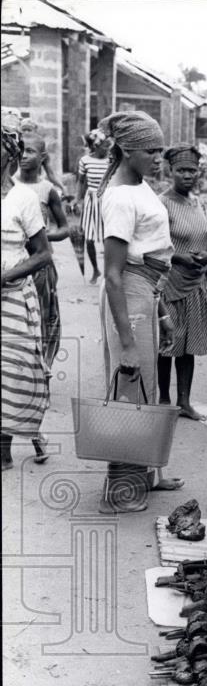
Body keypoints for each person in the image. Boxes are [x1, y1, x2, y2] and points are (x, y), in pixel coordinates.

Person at [97, 110, 181, 513]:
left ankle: (145, 474)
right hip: (128, 294)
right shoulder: (119, 197)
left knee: (143, 386)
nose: (157, 157)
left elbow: (153, 256)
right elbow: (114, 274)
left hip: (146, 292)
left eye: (159, 150)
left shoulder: (141, 187)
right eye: (150, 150)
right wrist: (127, 341)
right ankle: (118, 491)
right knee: (127, 389)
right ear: (127, 149)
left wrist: (161, 309)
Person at [1, 116, 53, 470]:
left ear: (7, 155)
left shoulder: (23, 198)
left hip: (13, 299)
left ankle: (4, 449)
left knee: (10, 373)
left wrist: (6, 276)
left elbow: (43, 253)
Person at [157, 144, 207, 421]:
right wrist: (179, 258)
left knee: (188, 347)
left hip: (196, 283)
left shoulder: (197, 202)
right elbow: (155, 247)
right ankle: (164, 399)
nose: (188, 175)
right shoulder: (161, 203)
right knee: (168, 345)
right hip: (171, 282)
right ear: (171, 171)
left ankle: (184, 401)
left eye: (192, 170)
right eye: (181, 170)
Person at [15, 132, 69, 369]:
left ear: (43, 156)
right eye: (21, 150)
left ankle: (41, 367)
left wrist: (41, 236)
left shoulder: (48, 190)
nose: (24, 156)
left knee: (43, 317)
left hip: (40, 265)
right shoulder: (9, 185)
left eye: (30, 151)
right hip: (13, 262)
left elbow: (65, 229)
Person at [77, 128, 111, 283]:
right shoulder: (85, 161)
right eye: (104, 144)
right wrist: (78, 201)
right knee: (88, 238)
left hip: (107, 199)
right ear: (96, 146)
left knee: (108, 238)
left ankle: (109, 272)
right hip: (91, 200)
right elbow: (81, 182)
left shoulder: (111, 160)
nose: (108, 147)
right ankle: (96, 270)